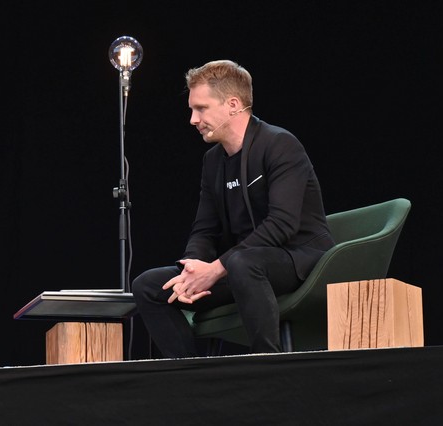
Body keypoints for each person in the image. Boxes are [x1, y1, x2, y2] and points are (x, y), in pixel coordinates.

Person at [131, 60, 334, 358]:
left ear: (233, 104)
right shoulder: (212, 161)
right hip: (241, 264)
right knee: (148, 285)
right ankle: (190, 377)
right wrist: (192, 268)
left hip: (298, 259)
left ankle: (264, 365)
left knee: (243, 263)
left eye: (201, 108)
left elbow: (282, 224)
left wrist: (215, 269)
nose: (192, 119)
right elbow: (204, 229)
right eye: (192, 109)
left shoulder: (280, 145)